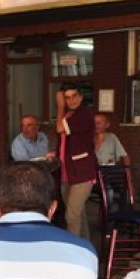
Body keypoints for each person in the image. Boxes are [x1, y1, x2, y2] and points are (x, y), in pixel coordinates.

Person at [54, 85, 98, 239]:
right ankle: (86, 246)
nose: (71, 100)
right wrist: (56, 153)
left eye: (74, 96)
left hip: (82, 172)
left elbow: (60, 128)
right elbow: (66, 141)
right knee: (78, 214)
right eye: (67, 98)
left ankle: (72, 249)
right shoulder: (69, 115)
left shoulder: (84, 114)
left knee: (71, 216)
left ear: (81, 97)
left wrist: (60, 106)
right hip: (67, 172)